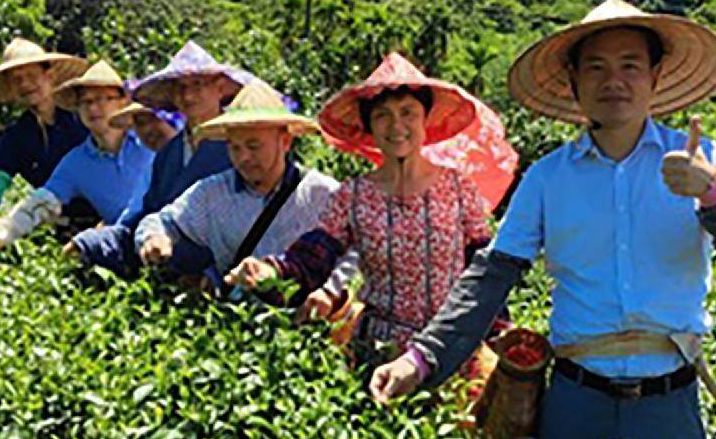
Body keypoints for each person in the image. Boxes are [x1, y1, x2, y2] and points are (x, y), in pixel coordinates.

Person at [369, 0, 716, 439]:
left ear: (655, 77)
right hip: (575, 401)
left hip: (669, 405)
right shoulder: (547, 178)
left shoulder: (703, 159)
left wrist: (714, 193)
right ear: (574, 83)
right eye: (597, 68)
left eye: (630, 65)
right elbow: (488, 279)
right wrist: (421, 358)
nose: (615, 81)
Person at [224, 53, 498, 360]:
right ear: (369, 127)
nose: (397, 126)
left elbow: (485, 269)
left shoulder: (459, 188)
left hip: (450, 348)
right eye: (382, 115)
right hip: (381, 350)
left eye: (408, 112)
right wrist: (270, 271)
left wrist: (500, 329)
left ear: (425, 120)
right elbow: (312, 259)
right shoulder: (353, 196)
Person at [135, 79, 354, 295]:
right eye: (235, 148)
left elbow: (359, 249)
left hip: (303, 320)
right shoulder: (212, 193)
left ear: (285, 142)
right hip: (237, 321)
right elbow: (163, 221)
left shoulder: (321, 194)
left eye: (254, 146)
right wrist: (155, 238)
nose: (244, 157)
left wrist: (329, 293)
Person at [66, 41, 245, 275]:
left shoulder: (240, 147)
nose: (188, 95)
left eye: (198, 85)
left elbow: (247, 224)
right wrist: (90, 242)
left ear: (220, 88)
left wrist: (212, 275)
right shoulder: (168, 154)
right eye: (180, 87)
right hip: (159, 256)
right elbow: (142, 217)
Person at [0, 61, 154, 257]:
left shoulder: (153, 139)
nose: (95, 108)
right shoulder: (72, 162)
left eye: (104, 99)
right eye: (87, 102)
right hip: (117, 241)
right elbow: (37, 204)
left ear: (123, 102)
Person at [0, 37, 89, 234]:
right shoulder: (17, 136)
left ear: (49, 75)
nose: (25, 84)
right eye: (17, 79)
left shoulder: (84, 118)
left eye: (32, 75)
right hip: (62, 226)